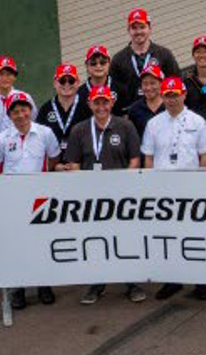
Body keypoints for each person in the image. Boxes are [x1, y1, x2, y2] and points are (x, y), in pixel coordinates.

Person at [59, 84, 143, 303]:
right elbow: (74, 162)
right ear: (90, 104)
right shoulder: (79, 130)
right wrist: (85, 187)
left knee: (124, 239)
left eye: (105, 102)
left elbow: (135, 159)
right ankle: (97, 284)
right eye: (96, 102)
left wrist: (123, 181)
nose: (101, 106)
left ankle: (131, 283)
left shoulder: (125, 127)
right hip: (92, 198)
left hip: (121, 195)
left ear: (111, 103)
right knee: (96, 240)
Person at [140, 76, 206, 300]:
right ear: (162, 96)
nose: (171, 100)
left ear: (184, 94)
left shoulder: (197, 121)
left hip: (191, 189)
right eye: (167, 95)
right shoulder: (153, 124)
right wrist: (150, 185)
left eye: (175, 95)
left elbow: (205, 155)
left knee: (195, 235)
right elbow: (148, 158)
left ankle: (201, 282)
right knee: (169, 237)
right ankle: (172, 281)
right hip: (163, 190)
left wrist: (201, 182)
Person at [0, 92, 58, 309]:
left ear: (30, 110)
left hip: (40, 198)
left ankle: (44, 285)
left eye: (24, 110)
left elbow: (53, 160)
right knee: (17, 245)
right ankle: (19, 289)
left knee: (41, 243)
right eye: (15, 111)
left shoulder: (45, 133)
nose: (20, 115)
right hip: (13, 200)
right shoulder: (1, 139)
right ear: (10, 115)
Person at [111, 7, 180, 107]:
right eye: (134, 28)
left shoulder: (164, 54)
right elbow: (114, 91)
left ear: (149, 28)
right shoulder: (118, 59)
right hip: (132, 115)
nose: (138, 31)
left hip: (162, 111)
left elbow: (176, 81)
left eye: (142, 27)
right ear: (128, 30)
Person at [37, 63, 88, 151]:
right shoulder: (45, 110)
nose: (67, 84)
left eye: (71, 80)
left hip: (81, 162)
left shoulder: (87, 107)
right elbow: (39, 140)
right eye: (62, 81)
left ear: (78, 83)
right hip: (54, 162)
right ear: (55, 83)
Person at [123, 64, 166, 135]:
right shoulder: (135, 109)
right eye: (145, 84)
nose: (148, 88)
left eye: (152, 83)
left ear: (161, 83)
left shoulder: (169, 106)